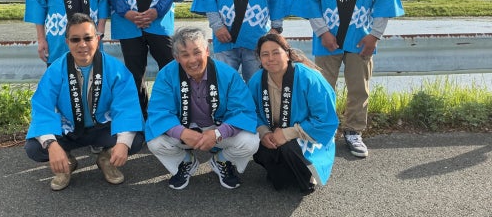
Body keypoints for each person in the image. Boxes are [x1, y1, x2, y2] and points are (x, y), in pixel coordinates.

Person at [292, 0, 404, 158]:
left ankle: (353, 131)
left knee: (359, 88)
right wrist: (322, 31)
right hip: (326, 37)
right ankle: (324, 130)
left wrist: (375, 35)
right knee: (322, 88)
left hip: (361, 36)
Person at [24, 13, 144, 191]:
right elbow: (43, 107)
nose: (82, 45)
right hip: (70, 129)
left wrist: (122, 143)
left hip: (102, 127)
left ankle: (106, 159)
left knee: (135, 139)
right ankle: (66, 162)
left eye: (88, 38)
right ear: (67, 42)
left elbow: (127, 106)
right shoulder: (56, 70)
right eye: (75, 39)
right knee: (34, 148)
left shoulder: (115, 68)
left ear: (97, 39)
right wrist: (52, 145)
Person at [145, 27, 260, 190]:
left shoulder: (228, 74)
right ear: (176, 58)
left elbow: (243, 111)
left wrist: (218, 133)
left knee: (250, 141)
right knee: (155, 141)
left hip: (218, 128)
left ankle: (222, 160)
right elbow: (160, 112)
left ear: (207, 51)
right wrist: (182, 132)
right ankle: (185, 161)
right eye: (185, 55)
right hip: (184, 129)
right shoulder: (166, 75)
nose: (192, 60)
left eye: (197, 52)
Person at [248, 34, 338, 194]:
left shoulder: (309, 78)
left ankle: (308, 174)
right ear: (260, 58)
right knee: (259, 147)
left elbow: (325, 120)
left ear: (287, 54)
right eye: (265, 54)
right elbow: (250, 111)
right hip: (274, 133)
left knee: (290, 148)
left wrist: (287, 133)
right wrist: (264, 132)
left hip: (306, 134)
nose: (271, 58)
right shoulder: (256, 80)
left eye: (276, 52)